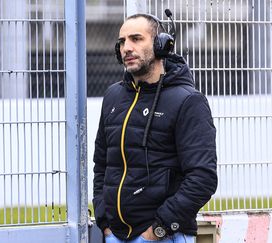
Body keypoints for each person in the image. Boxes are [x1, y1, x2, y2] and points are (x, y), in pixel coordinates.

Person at [92, 12, 218, 243]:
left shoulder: (188, 101)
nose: (126, 48)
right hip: (115, 235)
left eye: (136, 39)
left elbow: (202, 177)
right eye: (122, 42)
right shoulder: (113, 96)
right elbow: (102, 164)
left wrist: (157, 232)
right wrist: (105, 223)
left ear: (161, 45)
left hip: (163, 236)